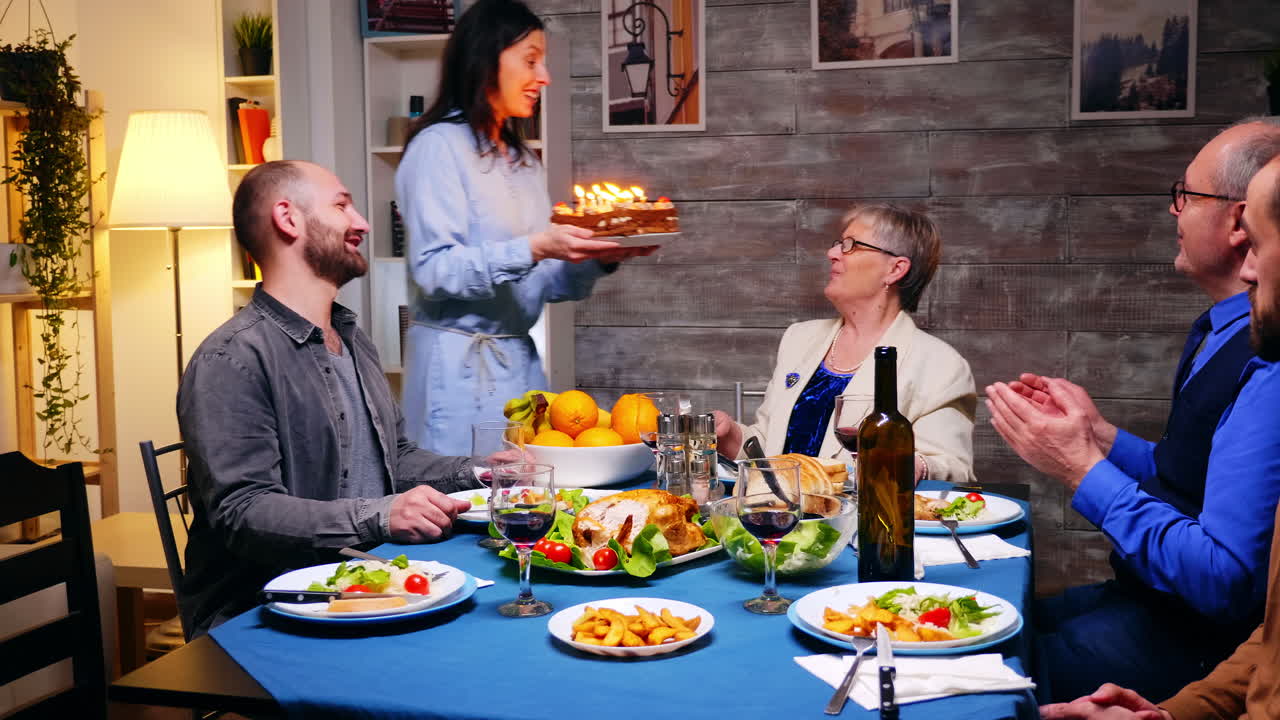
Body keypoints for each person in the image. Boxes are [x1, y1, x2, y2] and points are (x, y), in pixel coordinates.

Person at [985, 118, 1280, 704]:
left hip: (1191, 638)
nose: (1175, 211)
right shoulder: (1221, 331)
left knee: (987, 677)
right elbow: (1192, 478)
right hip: (1146, 599)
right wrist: (1099, 436)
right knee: (999, 618)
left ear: (1237, 222)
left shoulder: (1268, 364)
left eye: (1187, 195)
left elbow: (1225, 581)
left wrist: (1080, 468)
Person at [178, 161, 480, 636]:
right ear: (288, 218)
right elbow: (244, 512)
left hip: (370, 584)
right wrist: (382, 515)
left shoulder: (351, 337)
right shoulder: (230, 359)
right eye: (342, 205)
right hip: (265, 612)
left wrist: (484, 474)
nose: (360, 221)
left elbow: (392, 460)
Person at [395, 0, 653, 455]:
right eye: (531, 60)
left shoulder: (522, 161)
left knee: (528, 502)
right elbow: (434, 272)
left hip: (521, 370)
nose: (545, 77)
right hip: (459, 373)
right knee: (464, 504)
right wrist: (533, 247)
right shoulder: (437, 149)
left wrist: (598, 258)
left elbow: (545, 283)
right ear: (484, 58)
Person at [713, 203, 976, 484]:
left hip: (861, 523)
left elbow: (954, 467)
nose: (832, 254)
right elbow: (770, 448)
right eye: (838, 243)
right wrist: (730, 435)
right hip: (777, 518)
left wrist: (915, 465)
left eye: (850, 245)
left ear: (895, 269)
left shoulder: (941, 365)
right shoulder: (799, 339)